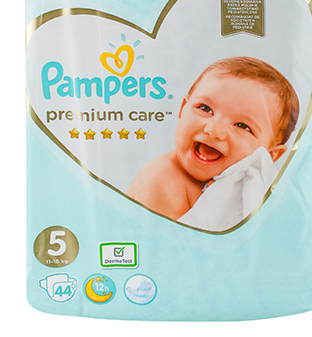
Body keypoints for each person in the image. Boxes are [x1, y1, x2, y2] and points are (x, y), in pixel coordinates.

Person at [127, 57, 299, 220]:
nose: (214, 131)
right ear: (182, 110)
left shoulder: (253, 189)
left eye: (242, 126)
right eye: (205, 109)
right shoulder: (160, 180)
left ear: (270, 155)